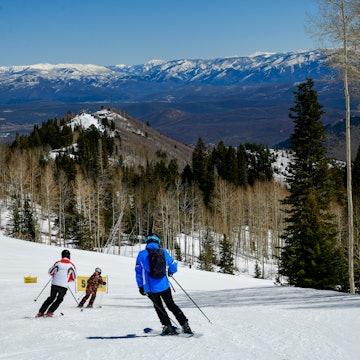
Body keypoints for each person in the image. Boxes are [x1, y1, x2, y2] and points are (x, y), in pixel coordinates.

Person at [135, 233, 193, 335]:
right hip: (164, 285)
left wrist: (140, 286)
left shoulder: (142, 254)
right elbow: (173, 265)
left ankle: (167, 326)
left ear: (147, 242)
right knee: (171, 305)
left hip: (150, 288)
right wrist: (170, 271)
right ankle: (185, 324)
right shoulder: (163, 252)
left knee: (159, 307)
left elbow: (138, 272)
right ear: (158, 242)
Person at [36, 249, 76, 317]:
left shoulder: (58, 263)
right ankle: (50, 312)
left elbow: (50, 272)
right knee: (59, 299)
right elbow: (74, 277)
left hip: (55, 284)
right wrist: (67, 280)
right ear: (69, 256)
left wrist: (54, 275)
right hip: (63, 285)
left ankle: (41, 312)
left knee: (51, 298)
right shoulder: (71, 265)